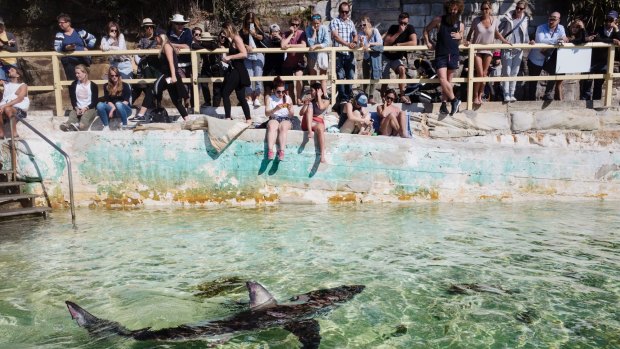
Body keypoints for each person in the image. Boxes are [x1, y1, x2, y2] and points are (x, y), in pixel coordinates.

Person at [423, 0, 464, 116]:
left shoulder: (460, 24)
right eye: (451, 9)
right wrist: (428, 42)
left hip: (453, 54)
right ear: (447, 9)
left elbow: (462, 40)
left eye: (455, 9)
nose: (453, 11)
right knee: (442, 79)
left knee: (448, 81)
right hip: (441, 53)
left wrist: (460, 35)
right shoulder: (439, 20)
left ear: (459, 10)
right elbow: (426, 30)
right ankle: (455, 100)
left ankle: (444, 105)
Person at [465, 1, 511, 105]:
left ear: (490, 9)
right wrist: (467, 42)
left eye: (486, 8)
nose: (484, 11)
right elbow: (470, 34)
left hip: (489, 50)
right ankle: (475, 96)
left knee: (485, 74)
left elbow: (497, 34)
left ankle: (481, 95)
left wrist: (505, 41)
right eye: (482, 9)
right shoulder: (476, 20)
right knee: (480, 74)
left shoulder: (494, 20)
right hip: (476, 49)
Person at [526, 11, 568, 101]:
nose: (551, 21)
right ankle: (530, 100)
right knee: (533, 82)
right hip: (536, 59)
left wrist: (560, 40)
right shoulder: (540, 27)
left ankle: (548, 94)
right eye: (550, 19)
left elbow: (564, 39)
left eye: (554, 19)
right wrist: (557, 40)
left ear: (559, 20)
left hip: (548, 58)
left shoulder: (561, 28)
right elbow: (541, 41)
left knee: (555, 72)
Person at [582, 10, 620, 101]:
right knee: (587, 82)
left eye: (611, 20)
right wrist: (611, 41)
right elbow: (597, 39)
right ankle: (584, 102)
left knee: (598, 84)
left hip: (605, 61)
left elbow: (619, 41)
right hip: (593, 59)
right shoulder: (599, 28)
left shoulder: (616, 31)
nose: (608, 22)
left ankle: (596, 102)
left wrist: (617, 29)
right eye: (607, 19)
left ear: (616, 21)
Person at [382, 12, 418, 103]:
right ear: (398, 21)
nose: (403, 25)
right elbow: (386, 43)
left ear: (408, 23)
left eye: (405, 23)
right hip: (386, 56)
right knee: (385, 79)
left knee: (402, 69)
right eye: (401, 23)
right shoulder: (393, 28)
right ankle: (382, 97)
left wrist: (398, 45)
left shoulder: (410, 28)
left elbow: (414, 42)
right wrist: (398, 32)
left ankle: (402, 95)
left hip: (397, 58)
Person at [130, 18, 162, 121]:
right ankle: (130, 105)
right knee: (141, 87)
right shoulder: (142, 40)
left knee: (154, 88)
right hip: (144, 67)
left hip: (155, 67)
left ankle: (155, 108)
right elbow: (139, 53)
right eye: (146, 27)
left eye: (150, 27)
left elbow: (158, 50)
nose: (148, 29)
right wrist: (148, 51)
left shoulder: (157, 38)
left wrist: (146, 52)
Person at [498, 0, 530, 102]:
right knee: (506, 71)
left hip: (519, 49)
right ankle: (505, 93)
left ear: (524, 9)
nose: (518, 10)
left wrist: (529, 42)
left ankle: (512, 93)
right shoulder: (507, 17)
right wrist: (503, 41)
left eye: (521, 8)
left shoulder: (525, 19)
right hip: (508, 48)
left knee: (514, 72)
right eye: (517, 7)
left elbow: (525, 34)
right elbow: (497, 31)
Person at [152, 34, 189, 120]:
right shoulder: (164, 46)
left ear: (160, 37)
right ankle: (186, 118)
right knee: (175, 100)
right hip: (169, 76)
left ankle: (142, 114)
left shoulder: (167, 46)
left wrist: (173, 76)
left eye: (156, 38)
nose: (155, 39)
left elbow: (171, 62)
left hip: (168, 76)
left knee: (154, 87)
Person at [220, 22, 251, 123]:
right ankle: (248, 119)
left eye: (224, 31)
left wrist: (230, 57)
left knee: (225, 93)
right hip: (237, 69)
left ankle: (228, 117)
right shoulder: (232, 39)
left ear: (228, 29)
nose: (223, 33)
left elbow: (244, 54)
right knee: (241, 97)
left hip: (238, 70)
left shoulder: (237, 38)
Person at [54, 13, 96, 80]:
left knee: (84, 81)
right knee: (72, 83)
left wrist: (88, 47)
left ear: (68, 23)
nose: (59, 24)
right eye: (59, 23)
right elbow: (57, 48)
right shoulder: (59, 34)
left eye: (61, 22)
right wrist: (65, 48)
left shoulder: (80, 32)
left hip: (82, 60)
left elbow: (93, 38)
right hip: (69, 62)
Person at [330, 2, 358, 103]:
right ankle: (342, 97)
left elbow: (355, 34)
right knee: (340, 75)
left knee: (350, 74)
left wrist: (354, 42)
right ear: (339, 11)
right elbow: (335, 36)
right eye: (343, 12)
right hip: (339, 52)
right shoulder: (335, 21)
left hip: (349, 53)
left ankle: (349, 95)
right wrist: (347, 44)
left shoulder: (350, 22)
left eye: (347, 12)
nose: (345, 14)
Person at [264, 76, 294, 161]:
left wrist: (289, 109)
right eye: (278, 92)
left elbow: (291, 115)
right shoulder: (270, 98)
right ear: (274, 90)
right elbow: (266, 113)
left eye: (283, 91)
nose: (281, 94)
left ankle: (281, 151)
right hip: (274, 117)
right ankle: (270, 151)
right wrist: (275, 109)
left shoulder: (288, 98)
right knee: (272, 126)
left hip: (286, 119)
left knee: (283, 127)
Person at [60, 64, 98, 131]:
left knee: (85, 117)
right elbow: (73, 99)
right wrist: (76, 108)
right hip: (78, 108)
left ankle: (79, 126)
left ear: (85, 73)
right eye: (76, 73)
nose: (76, 75)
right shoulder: (74, 84)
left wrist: (86, 108)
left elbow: (95, 101)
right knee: (72, 115)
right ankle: (67, 125)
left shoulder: (93, 85)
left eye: (78, 73)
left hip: (90, 108)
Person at [166, 14, 192, 109]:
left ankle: (188, 107)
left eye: (182, 23)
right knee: (182, 86)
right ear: (174, 24)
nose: (180, 25)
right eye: (177, 23)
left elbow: (188, 46)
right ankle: (184, 107)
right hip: (177, 64)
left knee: (191, 86)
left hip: (189, 64)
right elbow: (165, 45)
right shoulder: (169, 33)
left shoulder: (187, 31)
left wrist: (172, 45)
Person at [241, 12, 266, 107]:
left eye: (252, 21)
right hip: (248, 55)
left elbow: (262, 37)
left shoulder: (259, 28)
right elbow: (239, 41)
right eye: (248, 21)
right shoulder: (242, 30)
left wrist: (254, 34)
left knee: (258, 76)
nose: (250, 23)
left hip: (258, 54)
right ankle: (249, 97)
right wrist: (246, 46)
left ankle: (257, 97)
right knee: (248, 77)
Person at [300, 82, 330, 162]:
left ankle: (322, 156)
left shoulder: (326, 101)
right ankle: (310, 131)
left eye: (312, 90)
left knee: (320, 127)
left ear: (318, 91)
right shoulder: (310, 101)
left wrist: (319, 96)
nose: (311, 92)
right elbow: (301, 113)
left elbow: (321, 107)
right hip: (307, 123)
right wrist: (305, 104)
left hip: (317, 123)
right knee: (309, 107)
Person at [281, 16, 307, 105]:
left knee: (299, 78)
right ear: (290, 25)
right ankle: (293, 102)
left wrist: (290, 46)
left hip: (299, 61)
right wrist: (291, 34)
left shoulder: (302, 33)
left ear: (299, 25)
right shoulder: (285, 33)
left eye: (297, 25)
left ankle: (299, 99)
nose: (295, 26)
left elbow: (303, 45)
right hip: (288, 63)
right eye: (293, 24)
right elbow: (283, 45)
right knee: (290, 85)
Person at [96, 66, 132, 131]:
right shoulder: (106, 86)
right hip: (114, 109)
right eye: (112, 75)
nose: (114, 77)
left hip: (125, 110)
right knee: (99, 105)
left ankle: (124, 125)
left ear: (119, 75)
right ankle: (106, 126)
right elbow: (108, 100)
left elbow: (126, 102)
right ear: (109, 76)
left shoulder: (125, 85)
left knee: (118, 104)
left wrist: (113, 108)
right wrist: (113, 108)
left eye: (116, 75)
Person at [196, 30, 225, 108]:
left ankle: (216, 105)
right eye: (204, 41)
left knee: (217, 87)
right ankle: (207, 102)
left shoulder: (213, 44)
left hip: (216, 66)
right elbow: (193, 46)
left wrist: (205, 47)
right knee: (203, 83)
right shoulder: (200, 45)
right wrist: (203, 47)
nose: (205, 42)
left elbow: (213, 47)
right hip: (206, 67)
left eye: (207, 41)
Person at [305, 14, 331, 98]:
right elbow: (310, 43)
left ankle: (325, 94)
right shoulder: (308, 29)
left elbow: (327, 42)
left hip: (322, 54)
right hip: (312, 55)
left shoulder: (324, 28)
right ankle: (313, 95)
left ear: (321, 22)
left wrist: (317, 46)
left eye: (318, 23)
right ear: (311, 23)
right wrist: (315, 32)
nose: (316, 25)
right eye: (314, 23)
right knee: (313, 75)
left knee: (323, 75)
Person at [359, 16, 383, 105]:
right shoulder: (361, 33)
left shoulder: (375, 31)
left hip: (375, 57)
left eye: (364, 24)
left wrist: (370, 44)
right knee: (366, 76)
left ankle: (371, 96)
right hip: (366, 57)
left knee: (374, 75)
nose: (362, 27)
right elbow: (361, 46)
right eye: (360, 25)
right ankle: (365, 95)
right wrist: (361, 43)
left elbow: (380, 42)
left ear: (369, 24)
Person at [0, 66, 28, 139]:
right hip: (5, 108)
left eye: (12, 70)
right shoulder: (6, 84)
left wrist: (4, 106)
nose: (9, 70)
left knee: (7, 109)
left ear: (17, 75)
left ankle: (14, 133)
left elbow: (19, 99)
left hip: (19, 110)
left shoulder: (23, 85)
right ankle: (1, 133)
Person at [262, 24, 285, 96]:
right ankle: (268, 106)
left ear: (279, 32)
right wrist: (269, 38)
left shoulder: (282, 40)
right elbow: (264, 43)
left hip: (279, 68)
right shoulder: (267, 40)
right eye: (272, 31)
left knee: (280, 89)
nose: (274, 33)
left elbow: (286, 45)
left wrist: (280, 38)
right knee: (267, 89)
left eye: (276, 31)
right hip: (268, 68)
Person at [0, 17, 18, 82]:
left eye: (0, 25)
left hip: (11, 62)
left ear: (3, 25)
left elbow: (15, 49)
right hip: (1, 64)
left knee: (12, 82)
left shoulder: (9, 35)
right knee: (2, 83)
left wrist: (3, 46)